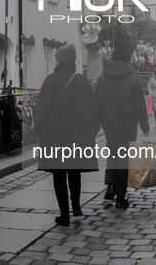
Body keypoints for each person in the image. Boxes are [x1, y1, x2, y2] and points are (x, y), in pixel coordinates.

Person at [36, 43, 98, 225]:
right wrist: (92, 130)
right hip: (78, 136)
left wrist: (40, 131)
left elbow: (43, 111)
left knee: (59, 174)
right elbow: (93, 110)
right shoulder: (82, 80)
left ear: (60, 60)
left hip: (56, 136)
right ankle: (76, 206)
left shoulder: (51, 80)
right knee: (74, 171)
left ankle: (64, 215)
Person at [95, 47, 149, 209]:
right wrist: (145, 125)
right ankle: (120, 197)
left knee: (112, 154)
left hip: (109, 124)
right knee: (124, 158)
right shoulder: (133, 79)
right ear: (126, 61)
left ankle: (110, 187)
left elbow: (96, 103)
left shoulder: (102, 78)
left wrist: (97, 123)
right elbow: (140, 105)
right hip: (128, 124)